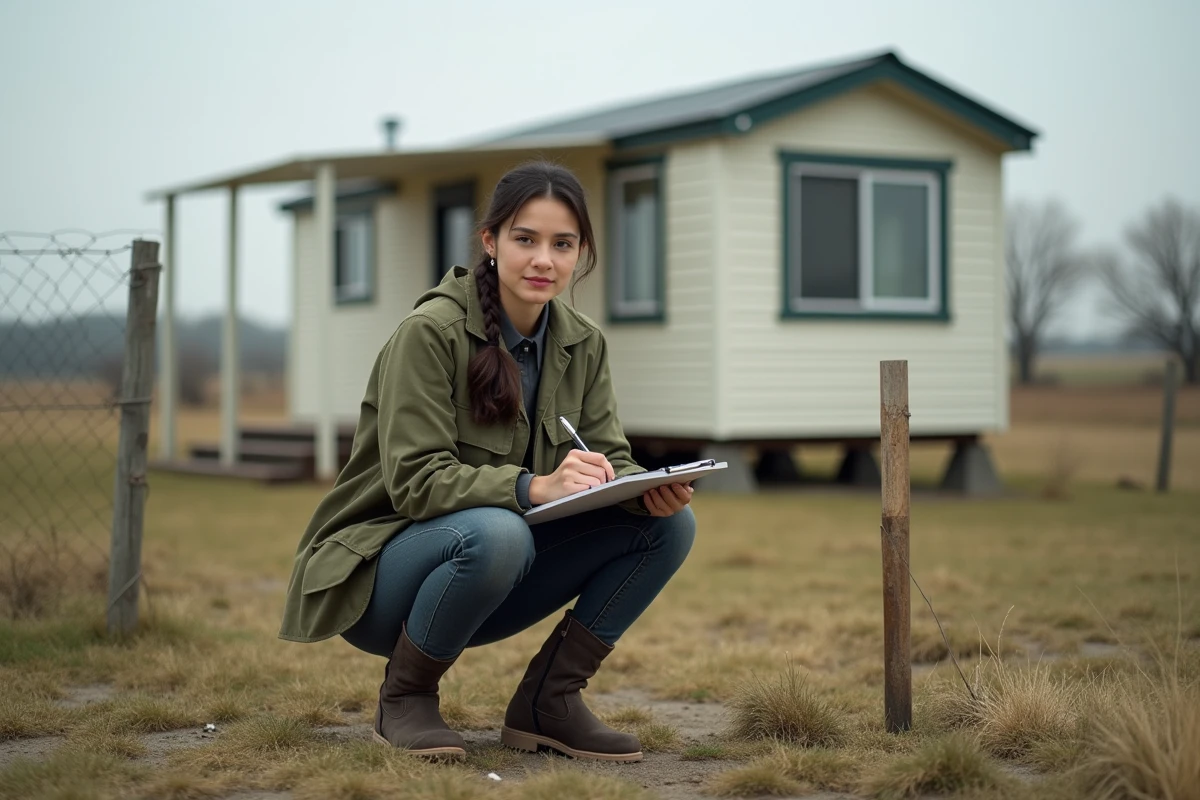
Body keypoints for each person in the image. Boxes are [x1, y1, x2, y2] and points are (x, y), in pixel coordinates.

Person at [279, 161, 696, 763]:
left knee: (669, 526)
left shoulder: (584, 343)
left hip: (497, 574)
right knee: (500, 531)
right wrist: (533, 487)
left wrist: (644, 488)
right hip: (380, 578)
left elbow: (609, 456)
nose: (543, 260)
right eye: (525, 239)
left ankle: (549, 703)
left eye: (563, 244)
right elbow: (417, 483)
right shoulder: (430, 333)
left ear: (581, 253)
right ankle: (405, 697)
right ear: (490, 242)